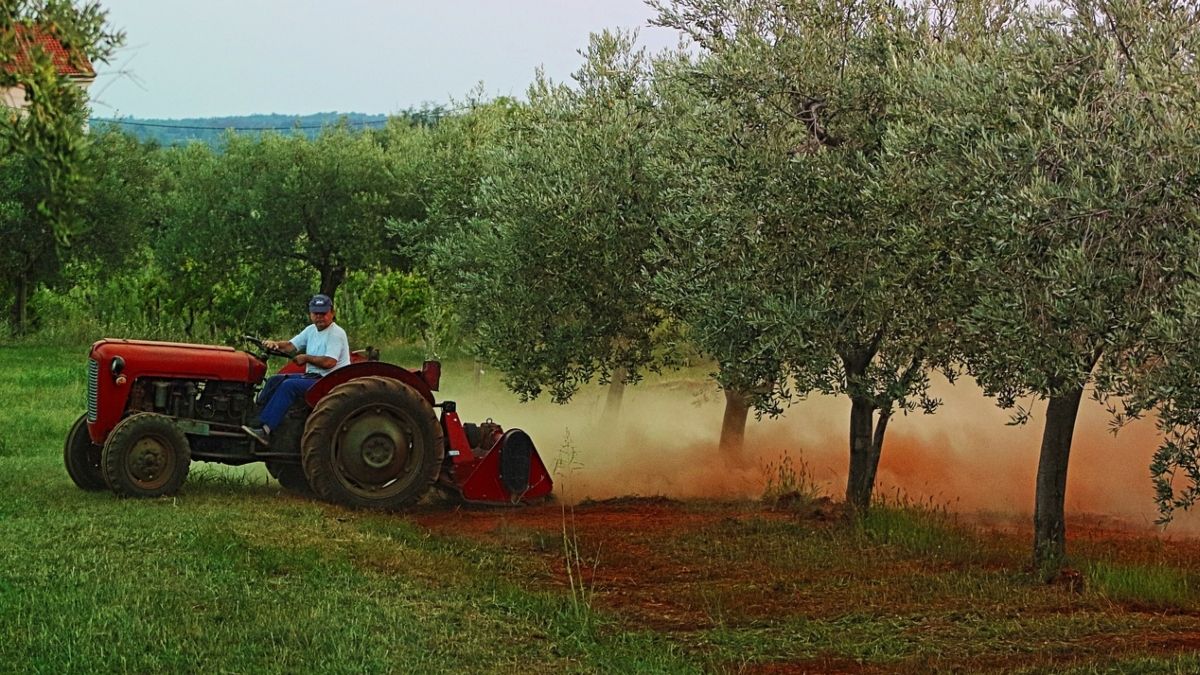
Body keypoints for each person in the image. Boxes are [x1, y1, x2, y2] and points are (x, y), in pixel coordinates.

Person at [242, 293, 350, 446]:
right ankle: (254, 418)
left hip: (329, 381)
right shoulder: (311, 330)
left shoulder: (336, 333)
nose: (319, 317)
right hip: (314, 377)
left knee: (289, 386)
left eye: (323, 313)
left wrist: (306, 358)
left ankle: (265, 431)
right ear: (310, 314)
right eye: (316, 313)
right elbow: (290, 346)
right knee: (274, 380)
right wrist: (275, 344)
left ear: (332, 313)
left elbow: (329, 362)